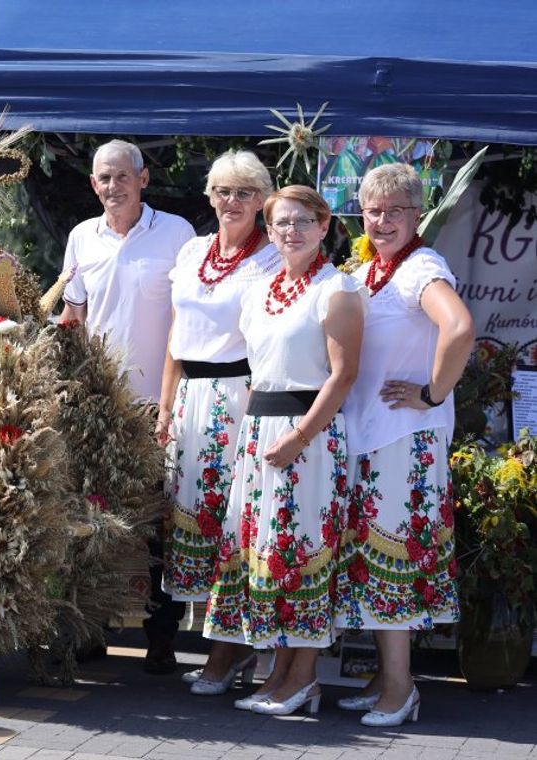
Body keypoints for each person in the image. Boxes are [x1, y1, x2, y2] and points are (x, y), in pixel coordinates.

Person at [202, 185, 366, 716]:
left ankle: (303, 679)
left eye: (302, 222)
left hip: (309, 437)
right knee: (266, 554)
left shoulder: (335, 289)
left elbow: (342, 378)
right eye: (280, 223)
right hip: (260, 433)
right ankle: (277, 676)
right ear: (268, 232)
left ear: (323, 227)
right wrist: (248, 442)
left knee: (303, 554)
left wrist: (299, 439)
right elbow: (256, 373)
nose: (290, 231)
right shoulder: (259, 291)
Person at [336, 164, 472, 727]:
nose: (383, 220)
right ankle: (384, 678)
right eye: (374, 210)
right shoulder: (369, 269)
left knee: (392, 557)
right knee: (371, 559)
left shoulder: (421, 267)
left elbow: (459, 327)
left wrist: (432, 394)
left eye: (396, 210)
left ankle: (400, 687)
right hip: (369, 435)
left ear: (418, 214)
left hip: (401, 439)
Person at [59, 139, 195, 673]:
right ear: (93, 185)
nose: (112, 187)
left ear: (143, 179)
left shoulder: (177, 234)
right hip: (99, 404)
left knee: (159, 521)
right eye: (102, 179)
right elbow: (74, 316)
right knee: (92, 518)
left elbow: (190, 318)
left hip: (160, 402)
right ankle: (89, 627)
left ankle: (161, 637)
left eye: (121, 177)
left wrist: (168, 404)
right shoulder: (80, 237)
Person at [156, 150, 279, 694]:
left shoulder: (272, 259)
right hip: (189, 398)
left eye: (246, 193)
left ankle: (228, 652)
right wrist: (165, 406)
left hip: (239, 396)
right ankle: (227, 646)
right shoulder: (191, 251)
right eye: (224, 191)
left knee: (235, 524)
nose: (232, 202)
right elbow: (175, 335)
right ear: (209, 195)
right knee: (194, 521)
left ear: (263, 202)